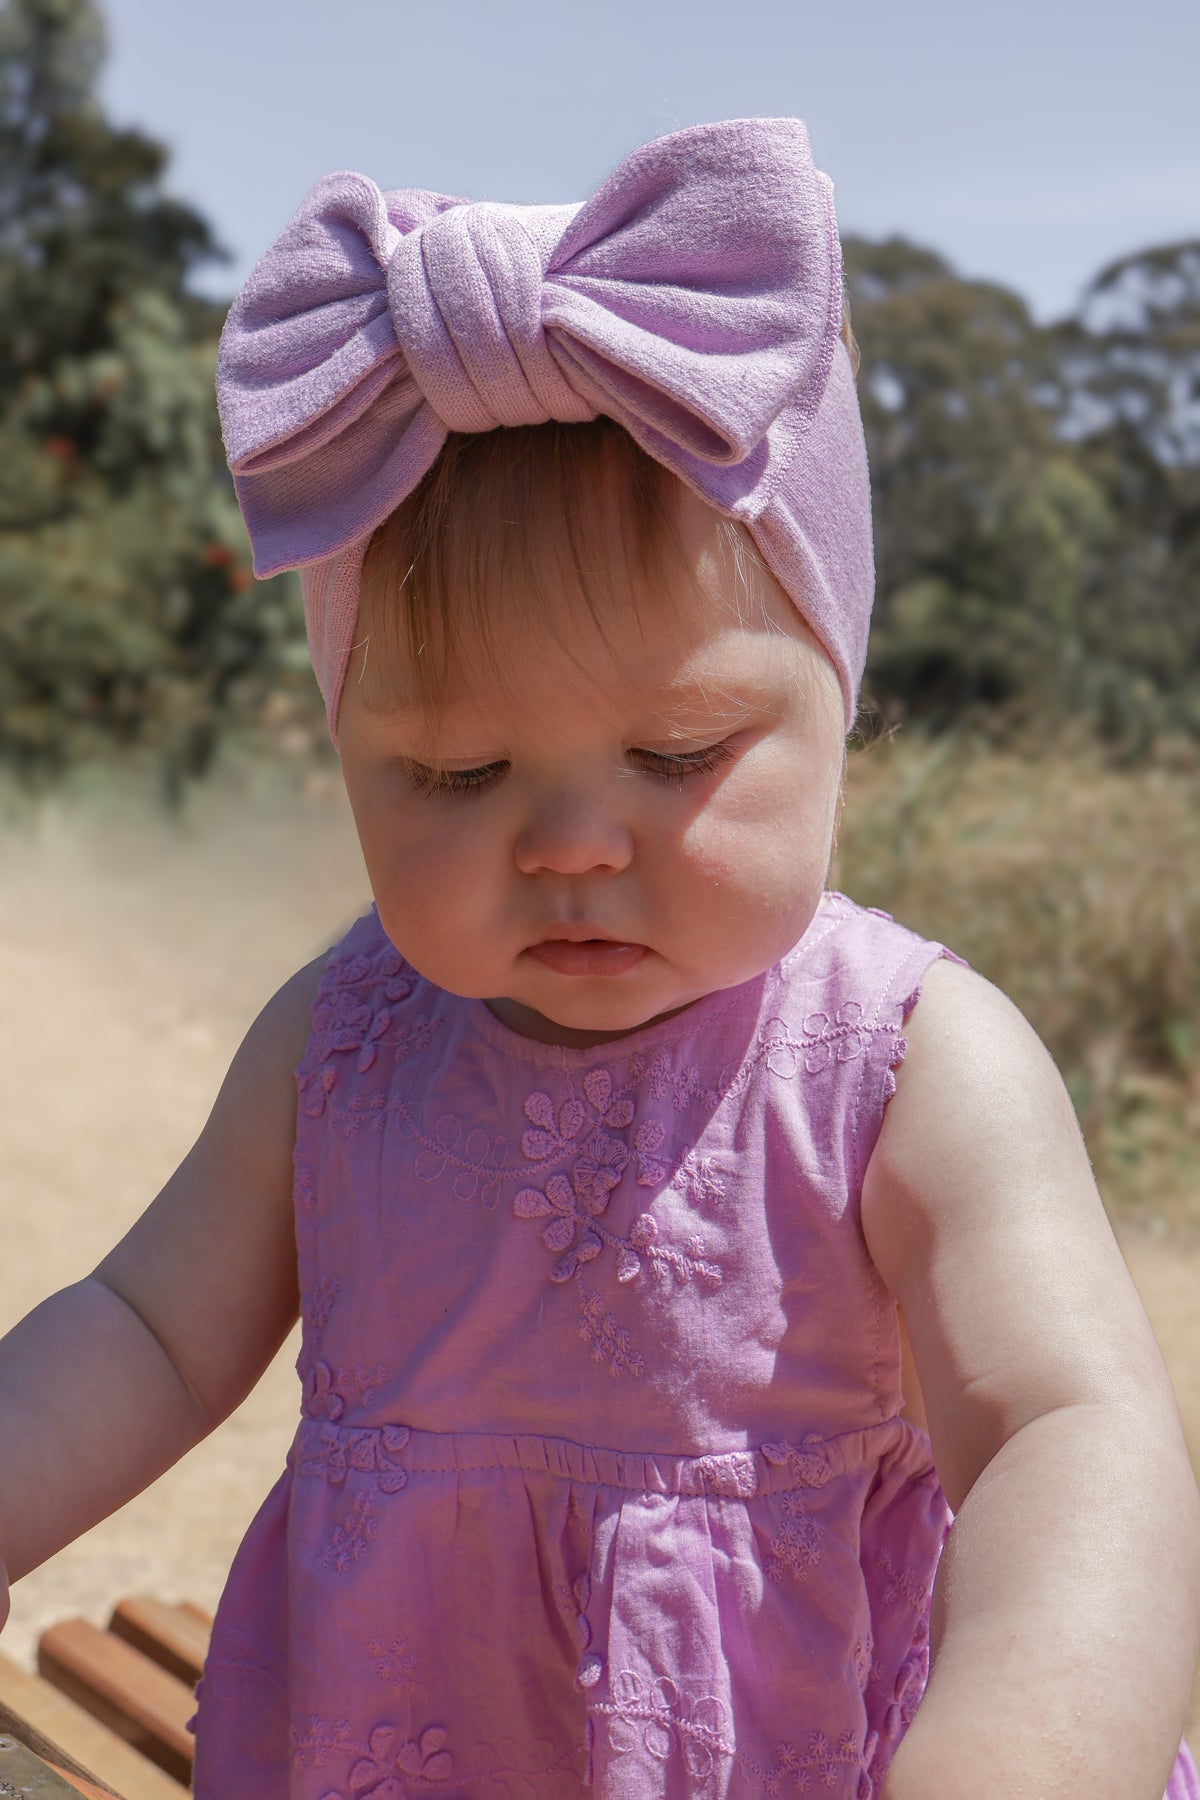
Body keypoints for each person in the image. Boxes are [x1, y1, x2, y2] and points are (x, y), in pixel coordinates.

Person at [0, 118, 1197, 1800]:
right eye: (456, 773)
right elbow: (147, 1333)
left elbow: (1067, 1434)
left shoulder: (905, 1065)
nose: (570, 843)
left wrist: (1023, 1755)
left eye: (679, 752)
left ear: (836, 696)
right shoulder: (341, 1042)